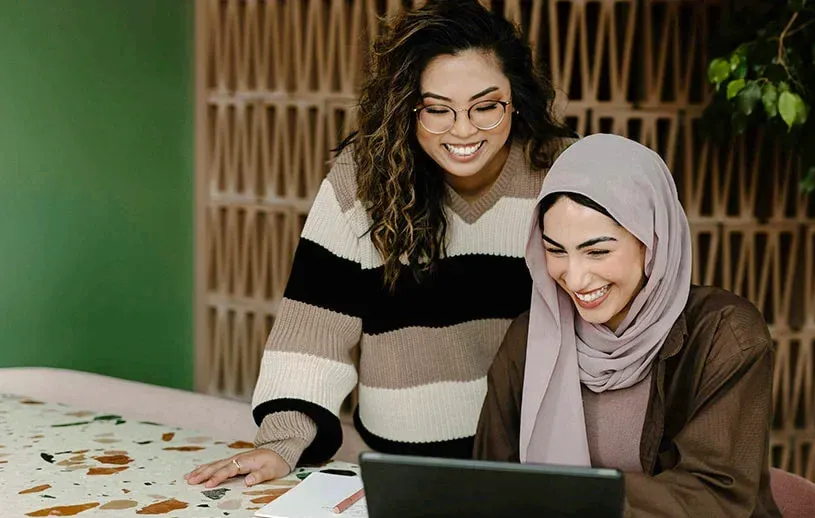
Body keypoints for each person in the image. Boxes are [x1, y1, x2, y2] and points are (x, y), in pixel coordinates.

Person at [186, 0, 574, 489]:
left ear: (514, 99)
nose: (463, 129)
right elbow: (314, 327)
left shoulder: (561, 171)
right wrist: (282, 443)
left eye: (486, 106)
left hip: (534, 461)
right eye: (437, 109)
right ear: (407, 106)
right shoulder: (364, 178)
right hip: (401, 469)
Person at [473, 134, 781, 517]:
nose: (576, 277)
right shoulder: (530, 339)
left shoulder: (725, 335)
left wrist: (572, 499)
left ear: (651, 240)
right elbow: (489, 480)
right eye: (555, 251)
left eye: (597, 251)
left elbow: (714, 497)